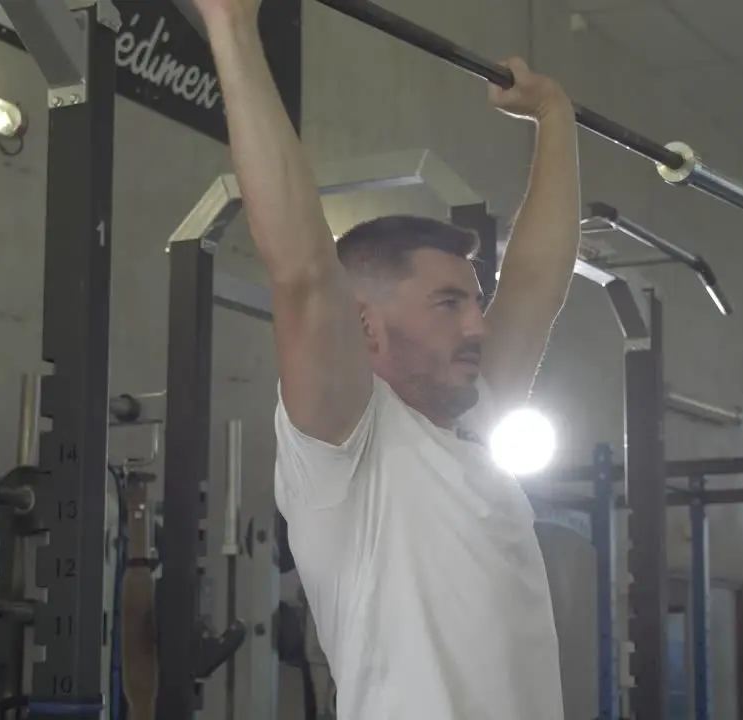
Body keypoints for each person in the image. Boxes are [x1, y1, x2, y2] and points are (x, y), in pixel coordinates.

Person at [192, 0, 581, 717]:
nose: (479, 326)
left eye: (474, 302)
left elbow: (538, 281)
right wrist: (232, 25)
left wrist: (555, 116)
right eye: (447, 304)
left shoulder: (479, 415)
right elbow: (304, 271)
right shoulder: (346, 442)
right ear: (364, 326)